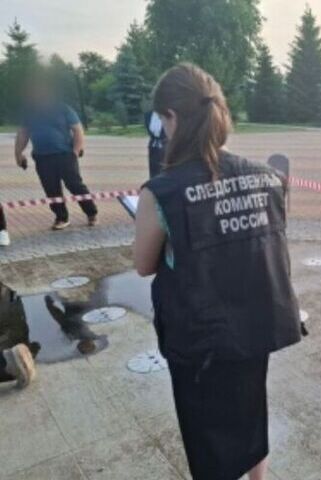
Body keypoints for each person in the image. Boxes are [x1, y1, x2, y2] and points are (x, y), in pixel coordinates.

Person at [133, 64, 302, 480]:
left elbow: (143, 264)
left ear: (172, 118)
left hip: (200, 338)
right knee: (251, 411)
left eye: (162, 120)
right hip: (255, 325)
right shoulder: (267, 177)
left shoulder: (162, 192)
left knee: (207, 436)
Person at [14, 78, 98, 230]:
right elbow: (23, 134)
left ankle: (91, 213)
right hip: (42, 157)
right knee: (51, 189)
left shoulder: (63, 108)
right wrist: (18, 154)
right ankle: (61, 218)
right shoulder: (29, 112)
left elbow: (77, 129)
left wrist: (75, 151)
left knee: (75, 185)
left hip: (65, 154)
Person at [145, 110, 167, 177]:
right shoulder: (148, 115)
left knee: (166, 170)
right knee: (154, 171)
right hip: (153, 147)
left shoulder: (167, 114)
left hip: (166, 146)